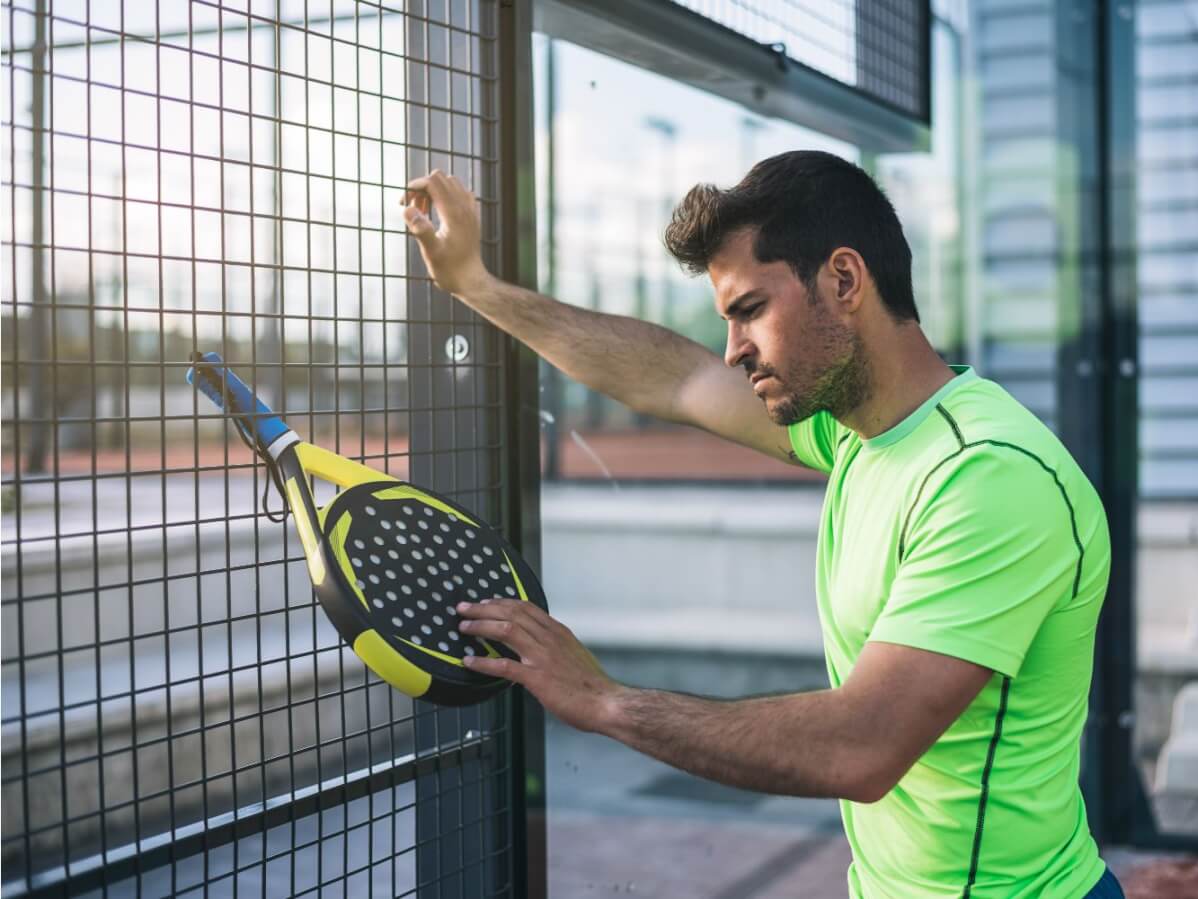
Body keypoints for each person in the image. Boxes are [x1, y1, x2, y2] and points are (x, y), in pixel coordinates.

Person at [400, 150, 1126, 899]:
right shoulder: (861, 430)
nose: (733, 349)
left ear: (843, 280)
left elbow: (860, 747)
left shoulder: (988, 478)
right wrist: (476, 286)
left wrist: (604, 700)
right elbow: (674, 376)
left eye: (750, 310)